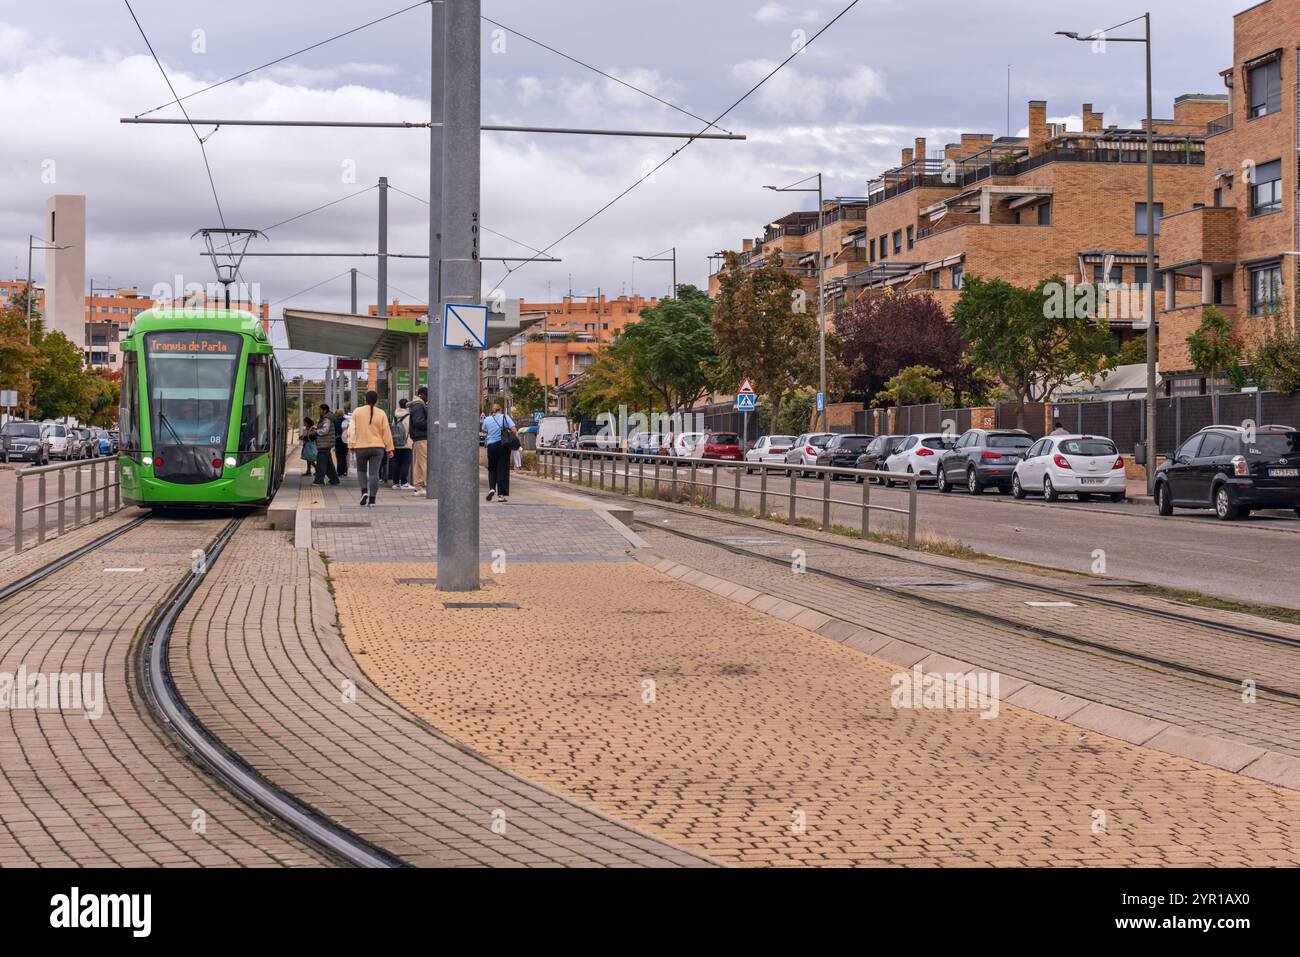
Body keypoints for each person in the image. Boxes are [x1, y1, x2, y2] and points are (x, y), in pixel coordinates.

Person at [349, 389, 395, 507]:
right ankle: (372, 501)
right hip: (377, 447)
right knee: (374, 474)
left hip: (361, 447)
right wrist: (389, 449)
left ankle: (364, 492)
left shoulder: (357, 412)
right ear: (377, 400)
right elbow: (386, 432)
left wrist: (351, 445)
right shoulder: (381, 413)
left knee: (361, 471)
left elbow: (352, 430)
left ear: (365, 399)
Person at [483, 403, 516, 503]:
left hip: (491, 446)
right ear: (499, 410)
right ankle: (501, 496)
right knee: (502, 469)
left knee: (492, 468)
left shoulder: (487, 419)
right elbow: (514, 430)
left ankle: (492, 488)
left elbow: (484, 430)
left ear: (492, 411)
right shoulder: (505, 417)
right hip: (503, 446)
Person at [312, 404, 340, 486]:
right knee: (328, 464)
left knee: (321, 463)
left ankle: (319, 481)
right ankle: (335, 480)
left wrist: (316, 431)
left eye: (320, 410)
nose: (319, 412)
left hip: (324, 444)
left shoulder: (326, 419)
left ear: (324, 411)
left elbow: (325, 430)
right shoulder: (327, 418)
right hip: (326, 444)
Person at [390, 397, 415, 490]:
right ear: (407, 405)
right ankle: (404, 482)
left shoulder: (395, 416)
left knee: (396, 463)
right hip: (406, 443)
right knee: (405, 463)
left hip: (396, 442)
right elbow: (410, 429)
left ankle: (396, 483)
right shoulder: (408, 416)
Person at [409, 386, 429, 494]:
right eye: (427, 396)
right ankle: (427, 485)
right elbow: (418, 422)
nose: (428, 398)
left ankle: (418, 485)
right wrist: (430, 422)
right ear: (421, 395)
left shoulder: (418, 405)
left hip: (419, 437)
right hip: (421, 437)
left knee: (419, 462)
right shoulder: (418, 406)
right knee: (423, 462)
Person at [334, 407, 351, 478]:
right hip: (345, 441)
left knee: (339, 456)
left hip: (338, 440)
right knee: (344, 456)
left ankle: (339, 471)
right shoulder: (346, 421)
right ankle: (345, 471)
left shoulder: (335, 421)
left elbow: (334, 431)